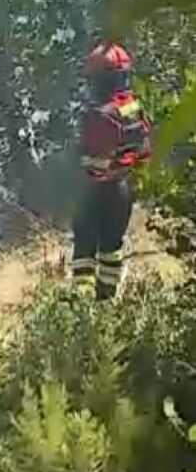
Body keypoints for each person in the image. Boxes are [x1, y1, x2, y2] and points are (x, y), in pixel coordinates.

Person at [72, 40, 153, 300]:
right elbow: (146, 150)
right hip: (122, 189)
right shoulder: (133, 108)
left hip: (92, 191)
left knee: (84, 247)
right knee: (112, 247)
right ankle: (106, 303)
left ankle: (80, 306)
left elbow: (80, 157)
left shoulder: (93, 113)